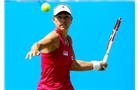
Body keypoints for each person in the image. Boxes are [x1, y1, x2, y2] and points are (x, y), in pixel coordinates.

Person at [25, 4, 107, 90]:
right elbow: (39, 44)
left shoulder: (69, 40)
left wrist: (98, 65)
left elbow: (73, 64)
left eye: (66, 17)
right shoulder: (54, 37)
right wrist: (34, 49)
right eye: (59, 17)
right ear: (54, 20)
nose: (63, 20)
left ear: (71, 19)